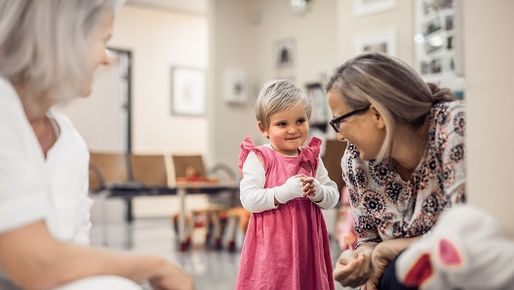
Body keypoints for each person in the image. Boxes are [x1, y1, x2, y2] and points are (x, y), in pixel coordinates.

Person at [0, 1, 193, 289]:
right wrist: (156, 266)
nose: (107, 59)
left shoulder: (71, 145)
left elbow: (73, 260)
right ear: (63, 39)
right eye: (103, 41)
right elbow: (38, 264)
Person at [326, 52, 465, 290]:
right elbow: (368, 240)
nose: (339, 134)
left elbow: (466, 233)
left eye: (340, 121)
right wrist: (361, 259)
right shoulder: (356, 162)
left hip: (461, 271)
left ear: (377, 114)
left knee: (401, 271)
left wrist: (386, 251)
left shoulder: (453, 126)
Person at [234, 80, 340, 290]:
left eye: (300, 121)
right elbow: (249, 200)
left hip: (307, 248)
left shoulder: (312, 159)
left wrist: (319, 192)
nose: (293, 129)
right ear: (264, 128)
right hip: (272, 251)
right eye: (282, 124)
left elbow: (333, 195)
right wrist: (285, 192)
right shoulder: (259, 158)